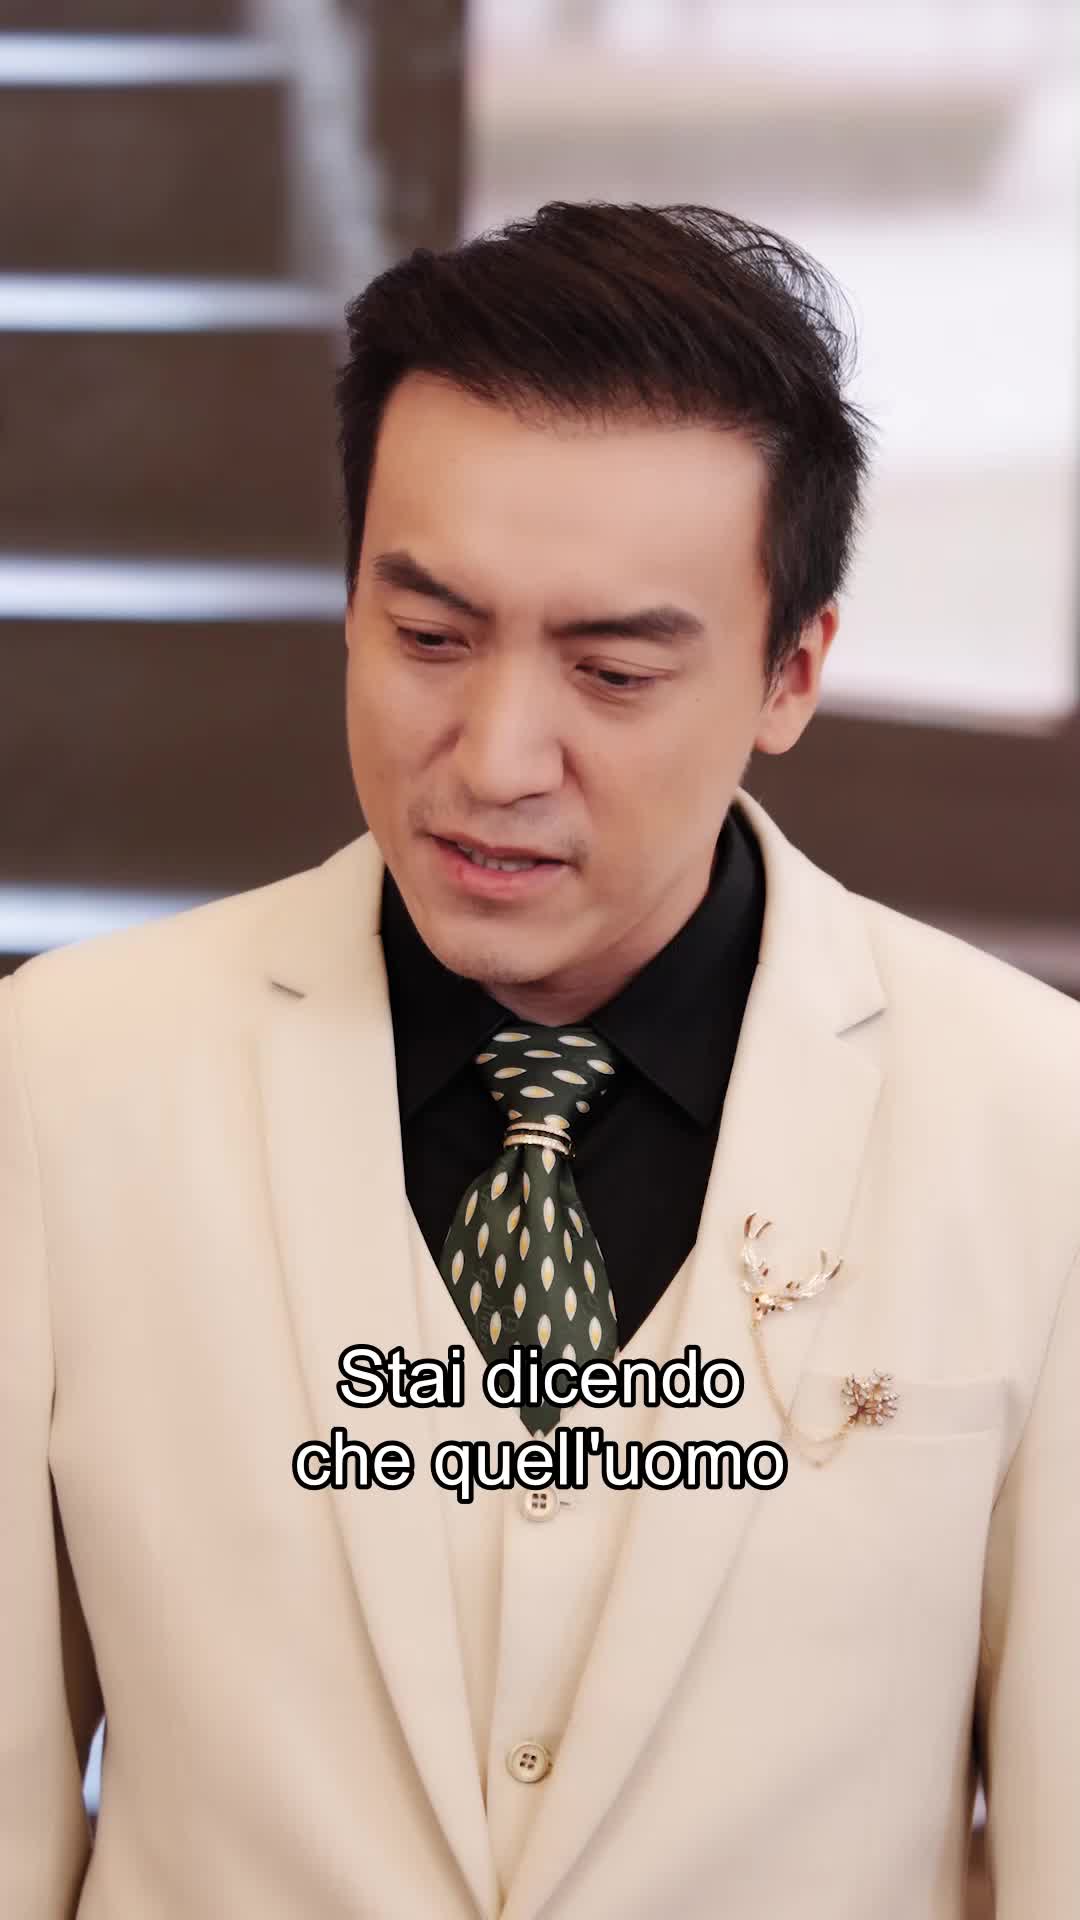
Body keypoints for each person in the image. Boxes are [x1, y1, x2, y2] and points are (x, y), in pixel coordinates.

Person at [2, 199, 1077, 1920]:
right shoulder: (62, 1080)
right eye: (429, 639)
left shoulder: (1034, 1122)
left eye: (615, 671)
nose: (496, 759)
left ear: (792, 671)